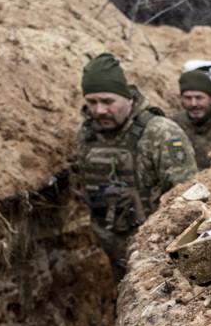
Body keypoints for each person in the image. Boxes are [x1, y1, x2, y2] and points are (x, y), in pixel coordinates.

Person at [73, 52, 197, 277]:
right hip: (110, 245)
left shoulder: (160, 133)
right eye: (92, 102)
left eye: (108, 101)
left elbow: (188, 199)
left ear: (128, 98)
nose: (99, 110)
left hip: (156, 255)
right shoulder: (86, 135)